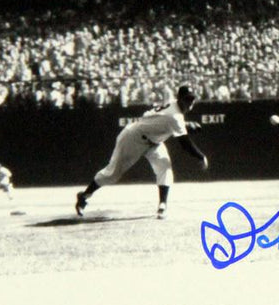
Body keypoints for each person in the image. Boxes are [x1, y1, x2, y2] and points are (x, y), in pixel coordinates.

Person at [75, 84, 208, 218]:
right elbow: (184, 142)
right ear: (179, 99)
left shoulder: (174, 107)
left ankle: (162, 205)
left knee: (164, 167)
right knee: (112, 173)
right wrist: (200, 156)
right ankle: (84, 196)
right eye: (187, 99)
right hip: (134, 138)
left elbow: (163, 120)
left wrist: (185, 125)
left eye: (192, 99)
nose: (190, 102)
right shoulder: (175, 116)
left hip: (154, 142)